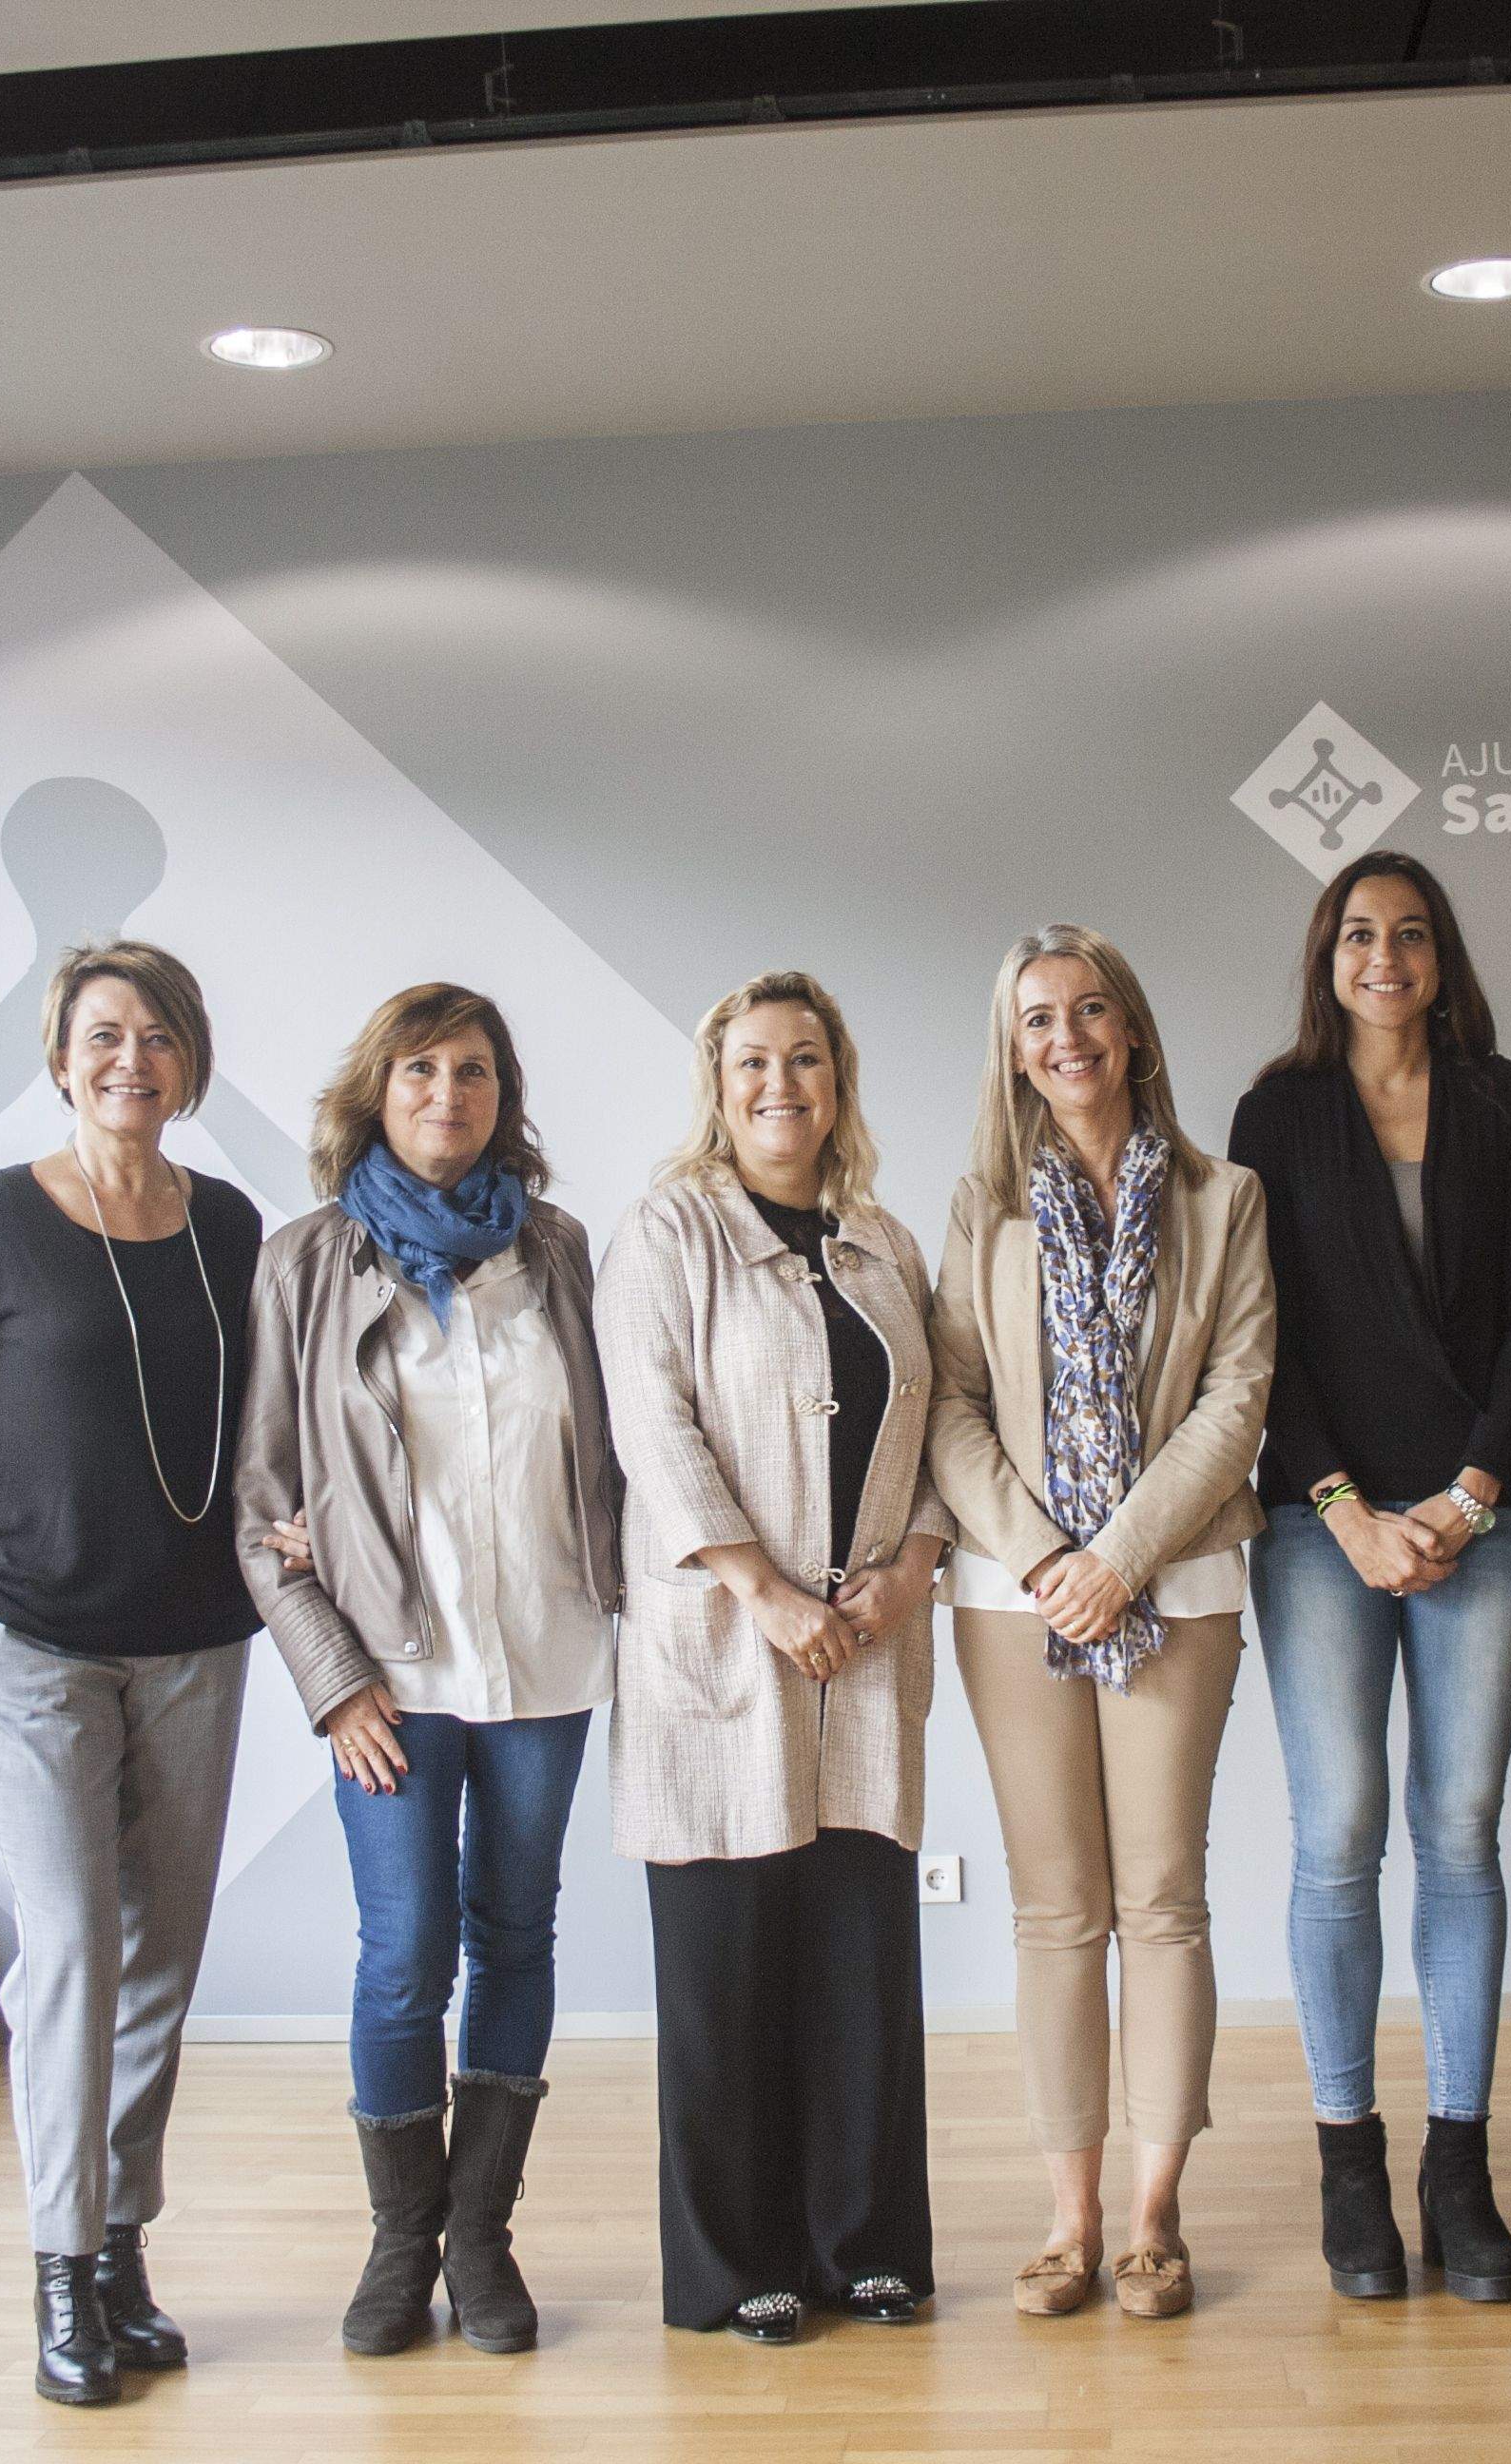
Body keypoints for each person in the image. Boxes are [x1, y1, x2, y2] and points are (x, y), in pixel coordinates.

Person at [0, 940, 264, 2407]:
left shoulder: (229, 1226)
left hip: (194, 1645)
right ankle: (55, 2268)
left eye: (158, 1036)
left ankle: (119, 2251)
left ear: (190, 1062)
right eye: (104, 1035)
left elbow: (257, 1420)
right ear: (60, 1057)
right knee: (75, 1946)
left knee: (159, 1960)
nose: (131, 1060)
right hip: (32, 1645)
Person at [234, 984, 621, 2358]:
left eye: (472, 1073)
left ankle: (481, 2240)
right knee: (406, 1957)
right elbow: (262, 1502)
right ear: (377, 1094)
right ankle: (401, 2246)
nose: (447, 1095)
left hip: (547, 1660)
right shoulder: (304, 1262)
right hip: (389, 1680)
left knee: (517, 1934)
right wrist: (332, 1678)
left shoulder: (564, 1254)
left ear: (502, 1095)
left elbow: (618, 1453)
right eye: (419, 1073)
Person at [1225, 852, 1511, 2306]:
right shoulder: (1276, 1112)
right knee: (1338, 1831)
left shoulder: (1510, 1098)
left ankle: (1462, 2171)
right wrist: (1351, 1510)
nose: (1385, 956)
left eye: (1410, 934)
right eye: (1359, 934)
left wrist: (1472, 1494)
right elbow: (1263, 1340)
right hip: (1324, 1519)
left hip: (1488, 1512)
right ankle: (1348, 2159)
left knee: (1465, 1826)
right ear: (1326, 955)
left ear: (1442, 958)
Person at [595, 970, 951, 2346]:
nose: (779, 1086)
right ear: (719, 1082)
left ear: (838, 1080)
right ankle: (735, 2258)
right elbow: (655, 1427)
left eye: (805, 1060)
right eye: (753, 1063)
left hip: (867, 1648)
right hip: (724, 1653)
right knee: (727, 1972)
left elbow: (936, 1414)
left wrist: (916, 1564)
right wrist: (760, 1587)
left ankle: (865, 2245)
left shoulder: (882, 1242)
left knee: (861, 1963)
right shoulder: (667, 1232)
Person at [928, 925, 1275, 2321]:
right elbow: (948, 1403)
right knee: (1057, 1911)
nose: (1063, 1038)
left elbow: (1238, 1395)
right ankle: (1067, 2221)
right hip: (1016, 1595)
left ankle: (1153, 2215)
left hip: (1176, 1586)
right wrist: (1048, 1551)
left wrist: (1121, 1556)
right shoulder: (978, 1207)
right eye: (1034, 1021)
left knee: (1162, 1904)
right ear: (1012, 1049)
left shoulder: (1225, 1195)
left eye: (1087, 1012)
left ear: (1130, 1028)